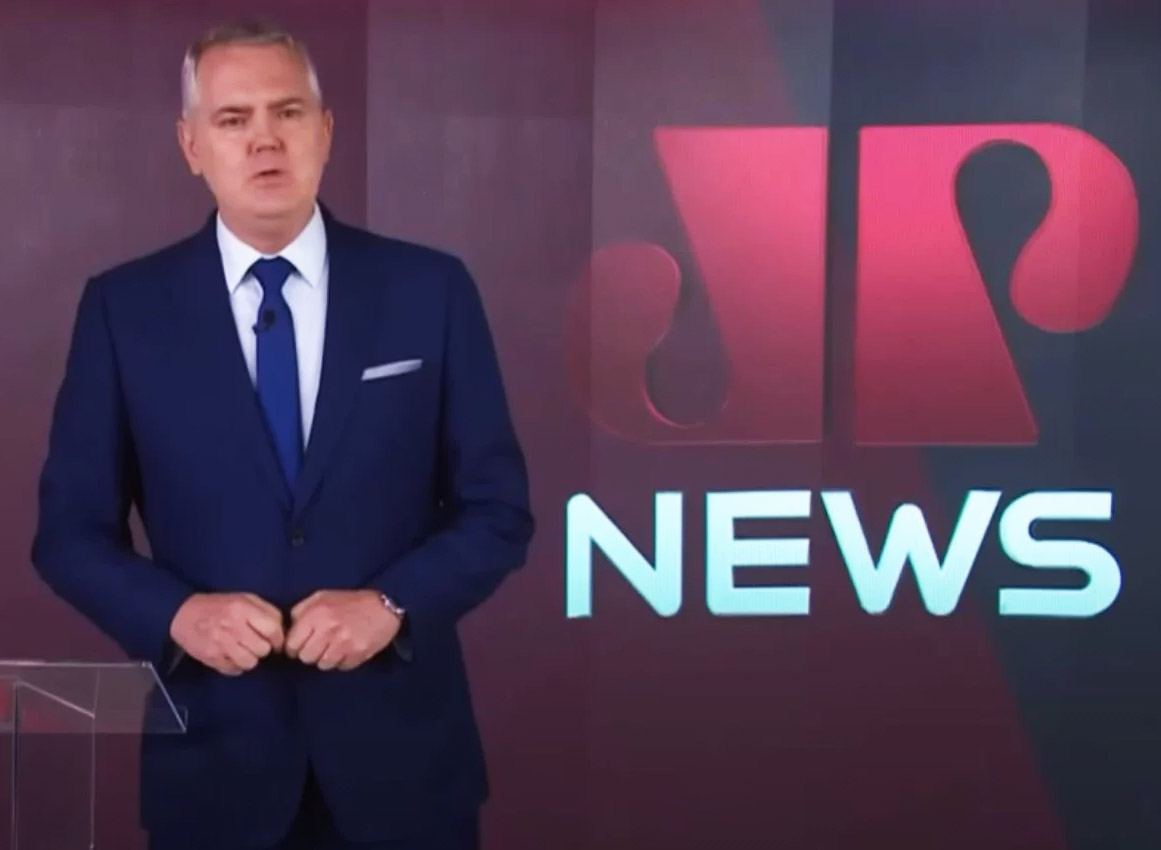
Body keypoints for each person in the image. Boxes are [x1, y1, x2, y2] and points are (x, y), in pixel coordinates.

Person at [30, 20, 533, 850]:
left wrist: (391, 606)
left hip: (404, 771)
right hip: (213, 773)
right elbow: (69, 536)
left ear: (325, 131)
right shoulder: (124, 311)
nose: (264, 139)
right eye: (233, 119)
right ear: (192, 145)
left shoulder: (429, 290)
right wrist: (177, 615)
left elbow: (498, 510)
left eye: (287, 112)